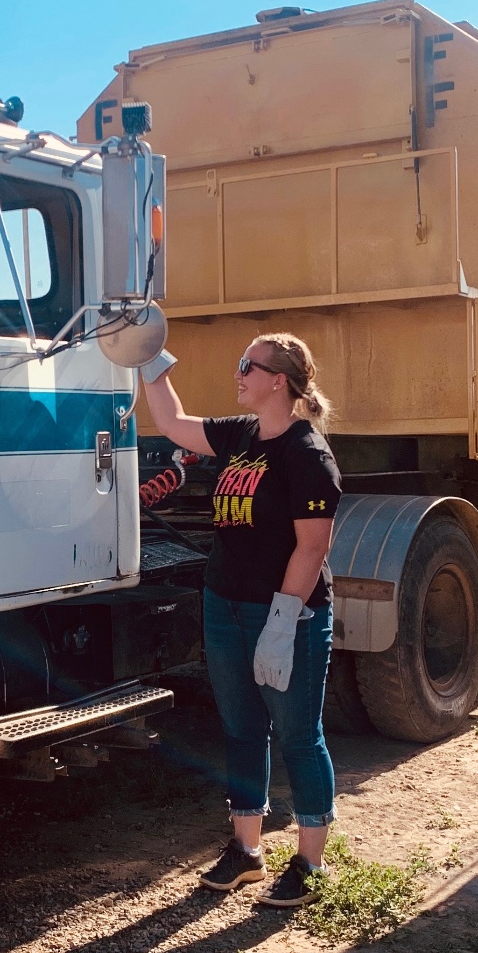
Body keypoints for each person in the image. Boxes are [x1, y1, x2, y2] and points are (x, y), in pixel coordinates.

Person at [140, 333, 341, 907]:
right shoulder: (239, 434)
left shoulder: (307, 455)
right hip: (224, 605)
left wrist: (282, 623)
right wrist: (148, 356)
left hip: (285, 614)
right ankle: (247, 850)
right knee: (241, 729)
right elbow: (174, 422)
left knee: (300, 735)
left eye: (246, 365)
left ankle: (309, 861)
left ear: (278, 380)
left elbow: (312, 547)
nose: (238, 372)